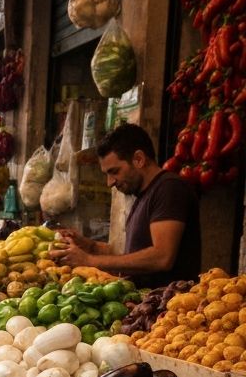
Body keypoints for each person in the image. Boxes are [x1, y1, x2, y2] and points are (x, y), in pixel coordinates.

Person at [49, 123, 201, 289]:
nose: (110, 183)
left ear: (139, 159)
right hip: (144, 300)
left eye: (114, 171)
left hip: (170, 302)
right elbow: (132, 256)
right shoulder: (143, 195)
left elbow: (162, 257)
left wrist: (89, 260)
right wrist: (89, 246)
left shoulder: (169, 188)